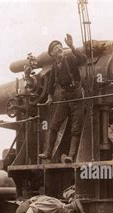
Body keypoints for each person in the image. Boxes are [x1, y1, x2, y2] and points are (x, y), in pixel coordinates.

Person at [38, 34, 87, 163]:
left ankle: (71, 155)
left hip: (76, 96)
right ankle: (48, 152)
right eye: (56, 48)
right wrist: (49, 97)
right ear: (52, 53)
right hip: (65, 96)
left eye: (60, 46)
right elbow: (51, 83)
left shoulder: (70, 58)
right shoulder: (55, 66)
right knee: (54, 125)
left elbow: (83, 59)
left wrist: (72, 46)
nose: (59, 48)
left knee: (76, 127)